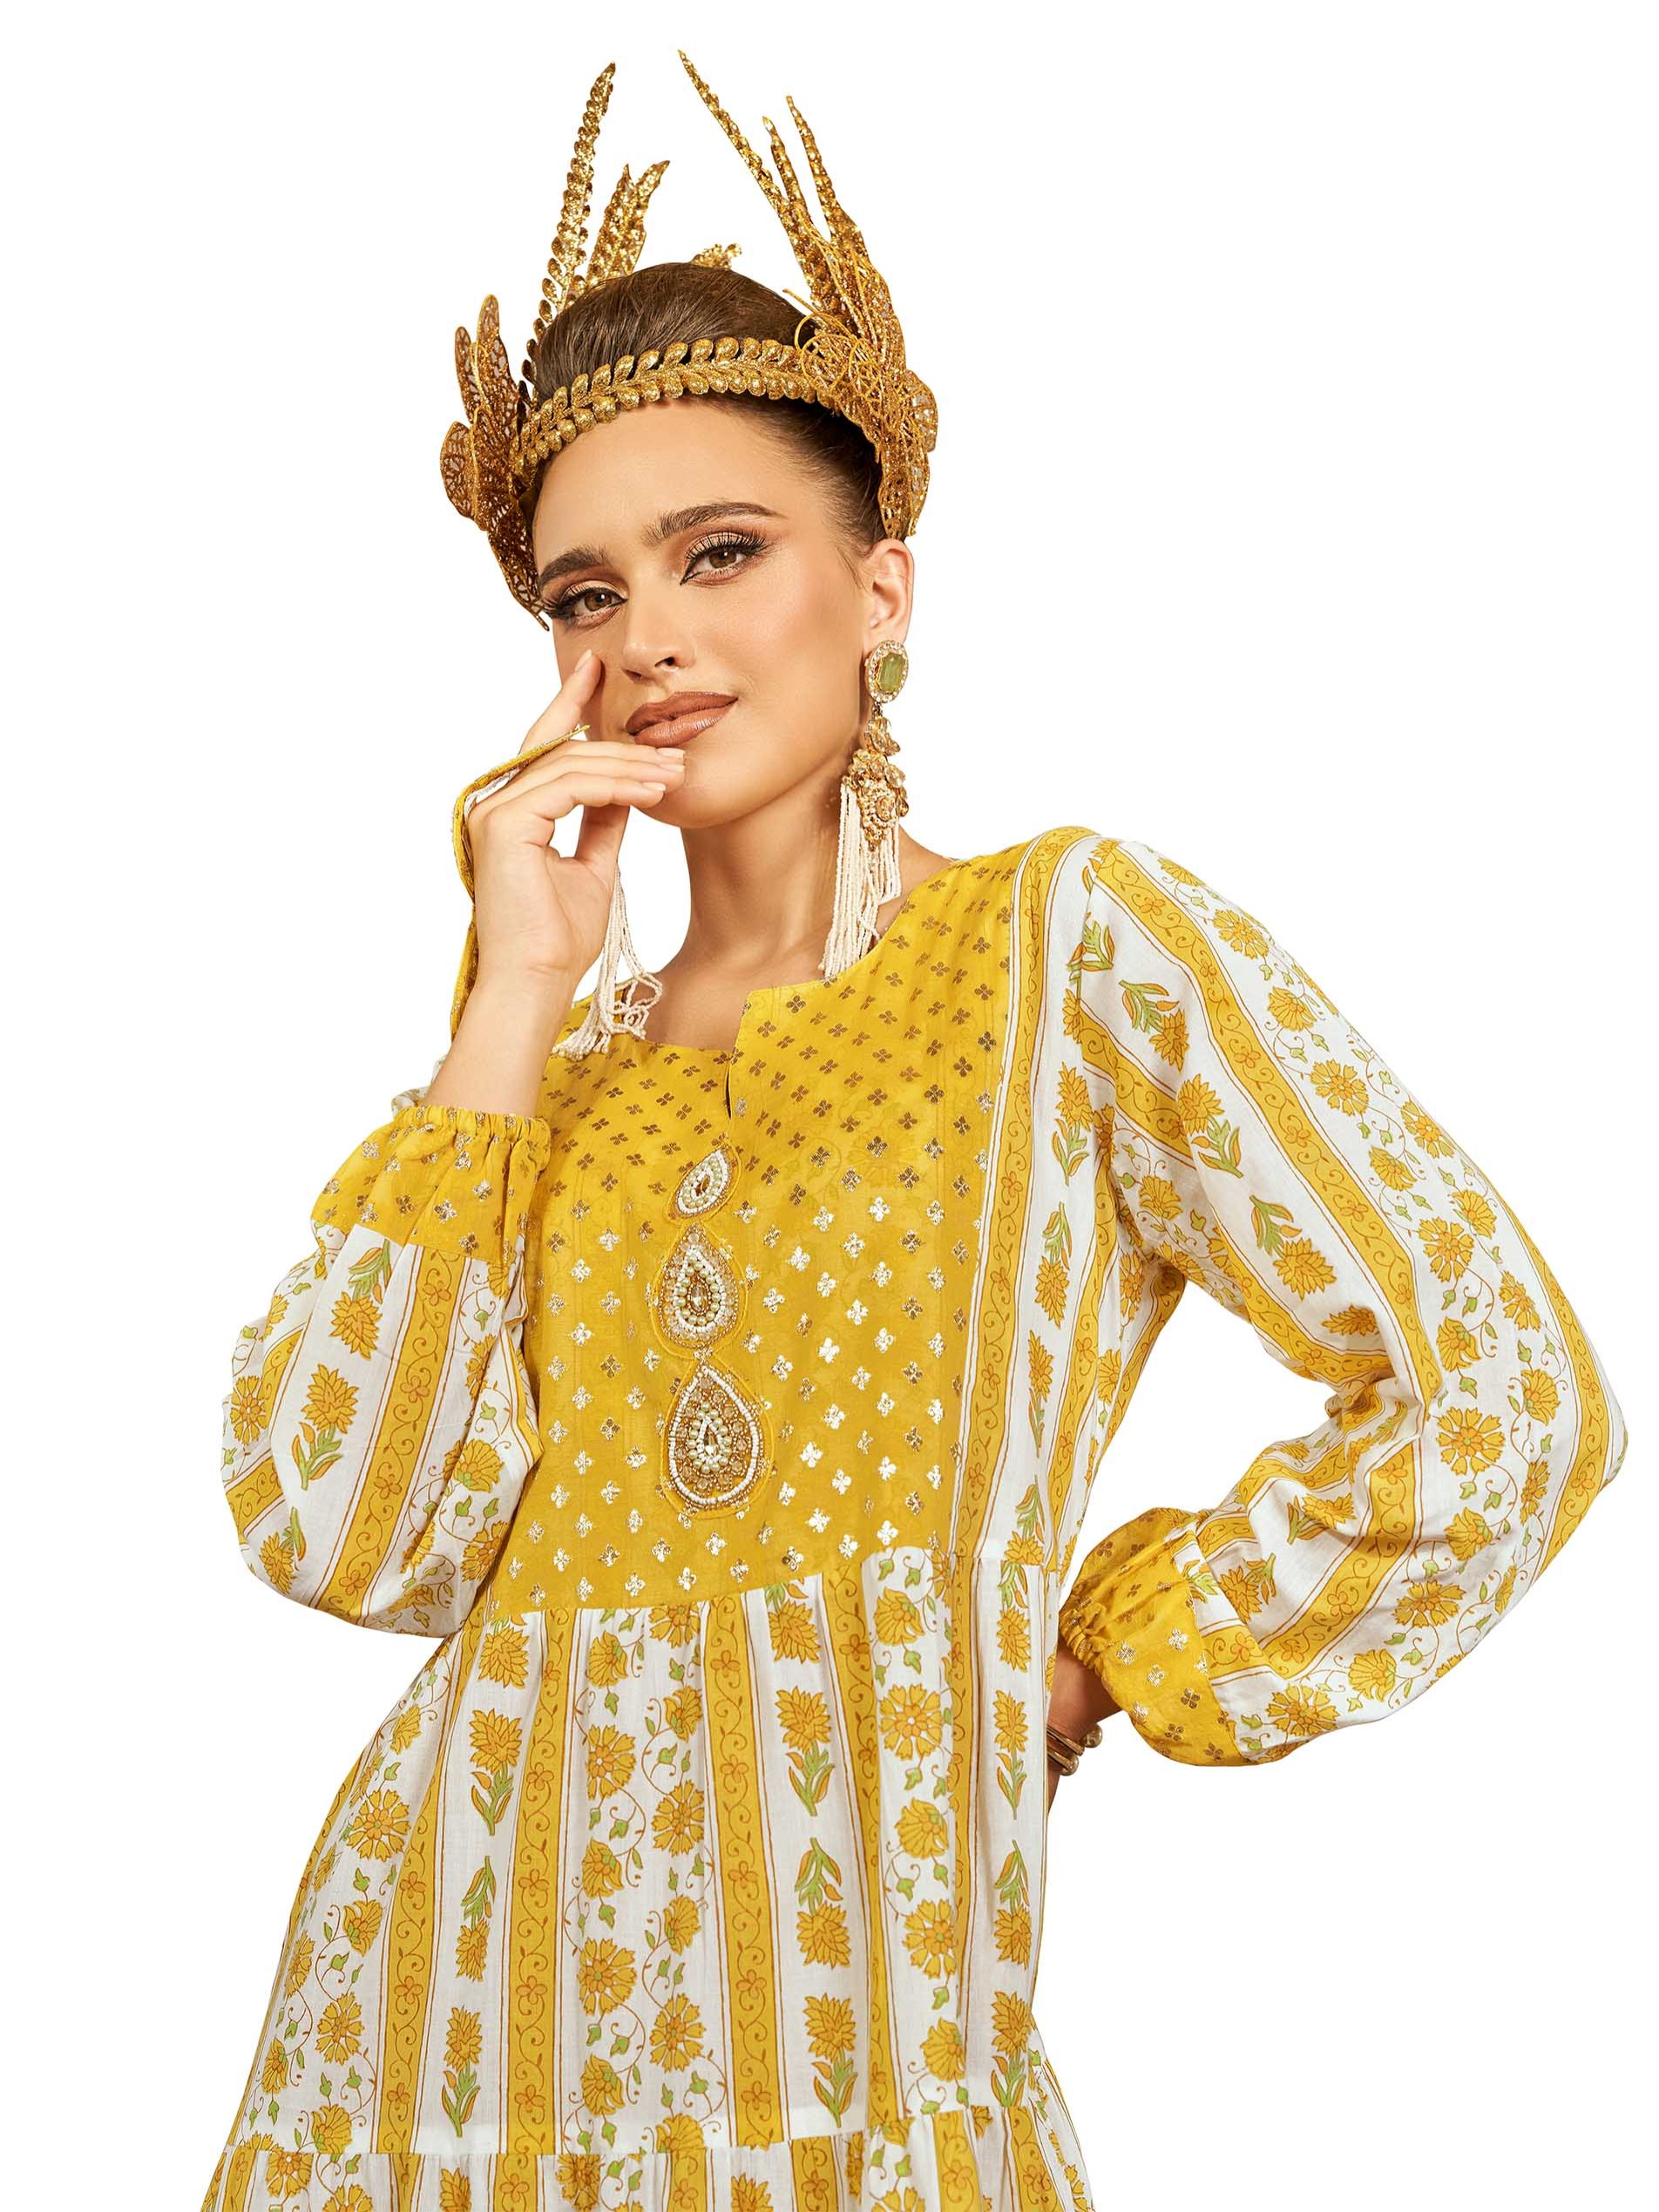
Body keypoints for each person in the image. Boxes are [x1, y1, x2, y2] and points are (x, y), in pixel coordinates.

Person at [201, 54, 1629, 2212]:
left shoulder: (1069, 951)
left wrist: (1119, 1648)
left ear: (879, 590)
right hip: (427, 2081)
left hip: (864, 2079)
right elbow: (342, 1533)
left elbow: (1504, 1386)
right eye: (584, 597)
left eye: (720, 553)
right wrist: (506, 997)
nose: (649, 639)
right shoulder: (542, 1070)